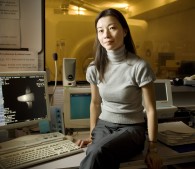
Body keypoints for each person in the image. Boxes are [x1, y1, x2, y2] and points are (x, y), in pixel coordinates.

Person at [76, 8, 163, 169]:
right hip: (104, 125)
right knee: (95, 151)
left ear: (124, 31)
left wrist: (153, 148)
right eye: (100, 31)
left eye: (112, 28)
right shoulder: (95, 67)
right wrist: (93, 136)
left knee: (97, 152)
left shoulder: (139, 66)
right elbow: (95, 104)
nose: (106, 35)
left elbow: (150, 110)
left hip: (132, 130)